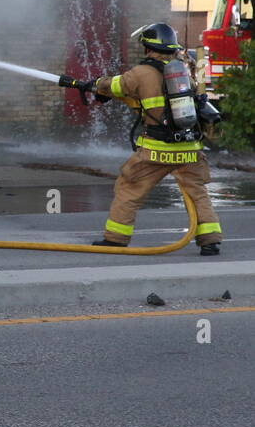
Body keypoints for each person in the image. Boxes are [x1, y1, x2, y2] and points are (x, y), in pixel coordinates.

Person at [76, 22, 222, 255]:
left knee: (129, 187)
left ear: (147, 48)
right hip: (190, 147)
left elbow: (116, 86)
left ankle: (116, 238)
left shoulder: (141, 73)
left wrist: (94, 85)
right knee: (196, 192)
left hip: (156, 150)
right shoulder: (184, 72)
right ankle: (210, 240)